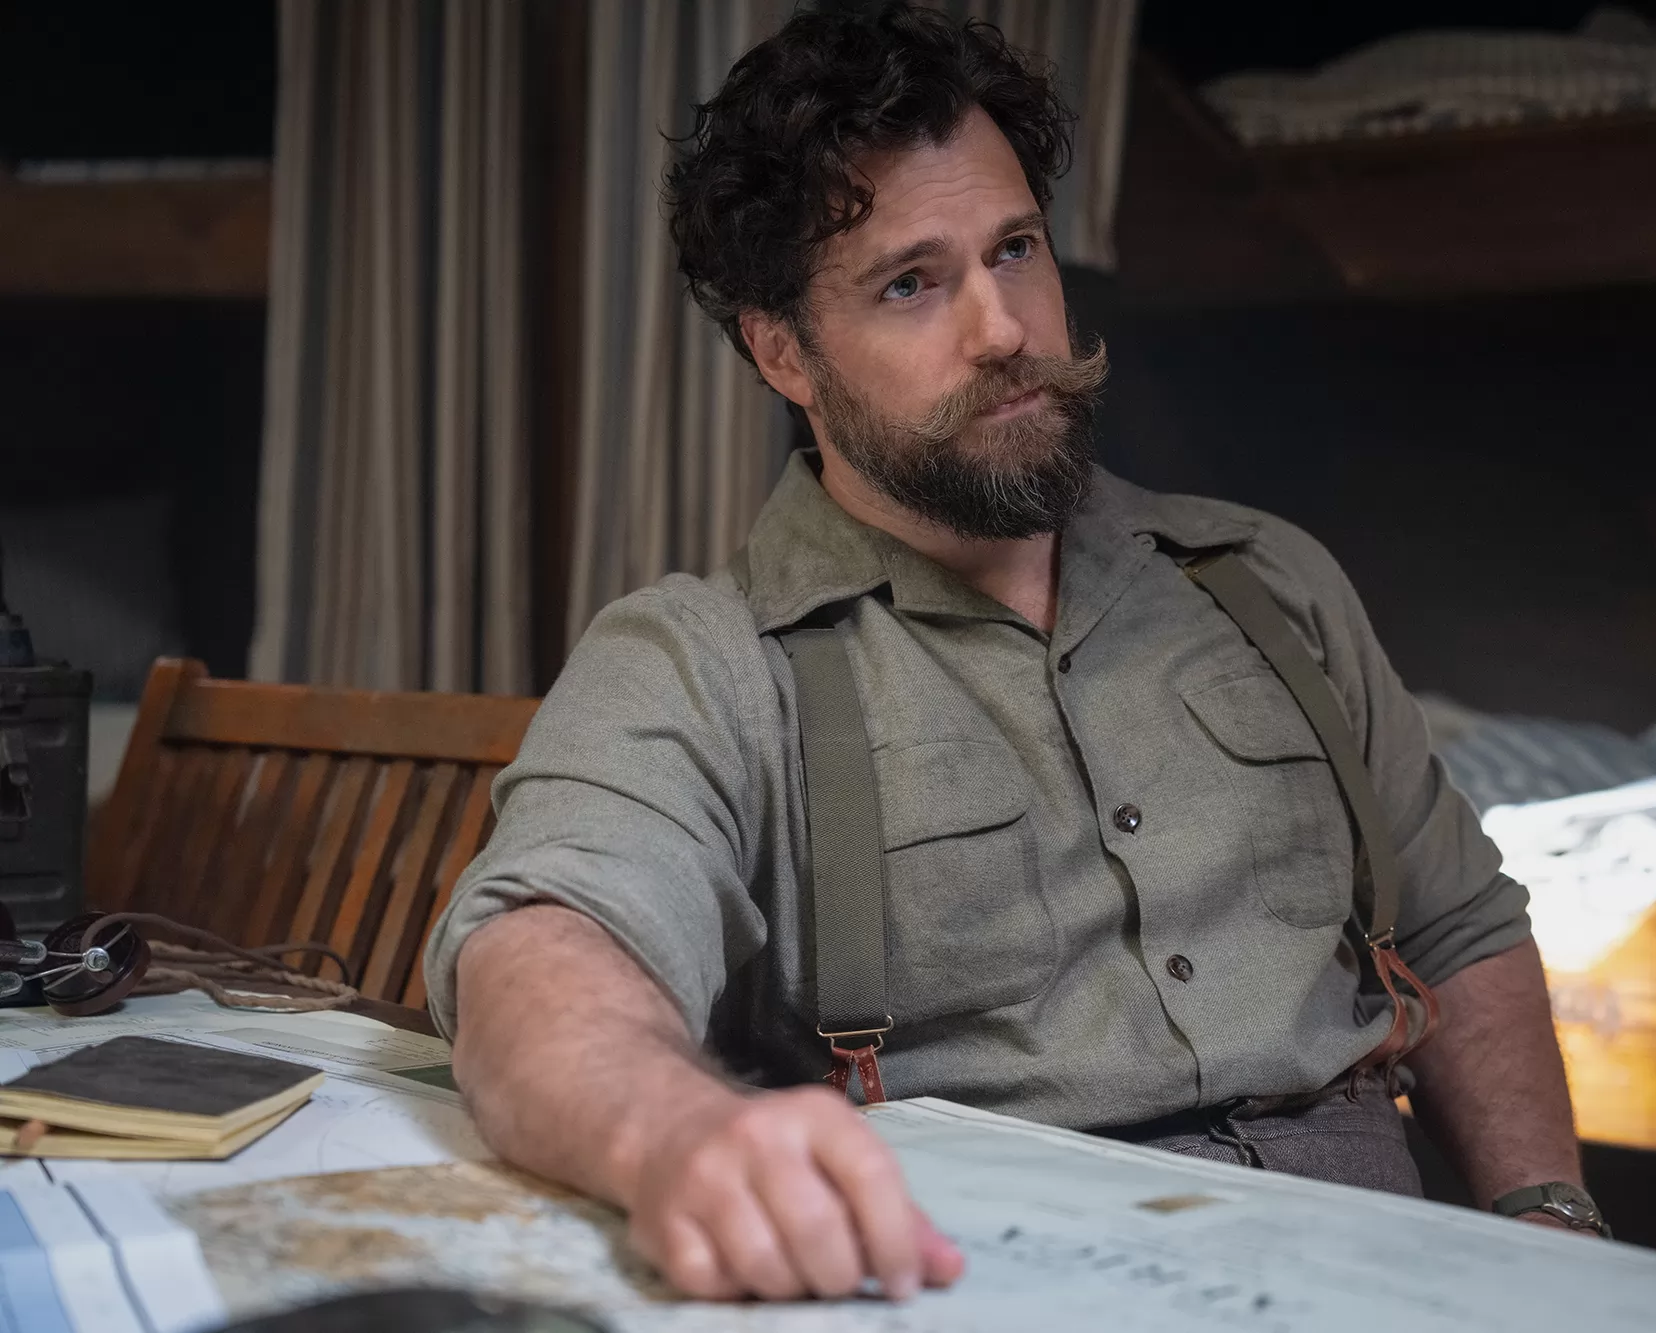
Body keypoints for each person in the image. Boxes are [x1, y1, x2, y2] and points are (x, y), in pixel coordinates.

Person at [424, 2, 1594, 1305]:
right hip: (999, 1284)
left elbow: (1460, 926)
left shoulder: (1269, 580)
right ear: (783, 352)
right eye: (911, 283)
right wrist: (676, 1134)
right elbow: (541, 955)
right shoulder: (705, 660)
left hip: (1386, 1273)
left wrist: (1547, 1216)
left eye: (1015, 250)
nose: (1002, 329)